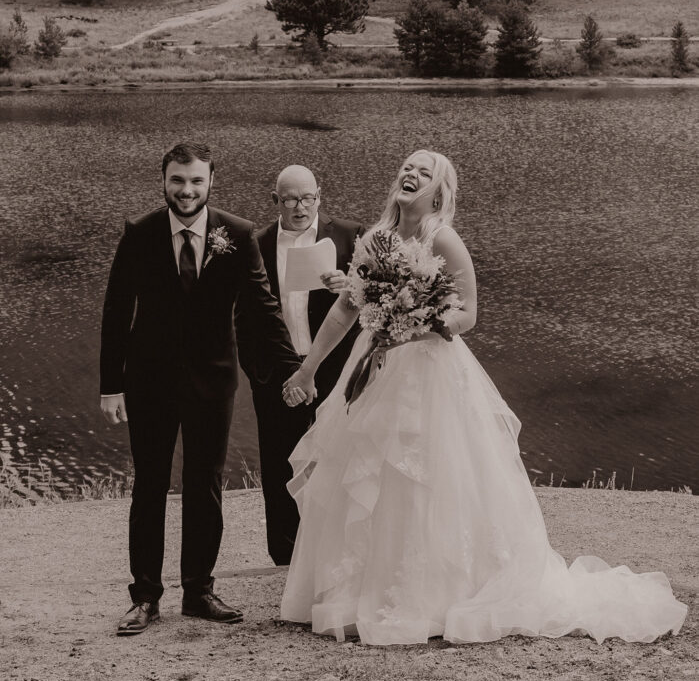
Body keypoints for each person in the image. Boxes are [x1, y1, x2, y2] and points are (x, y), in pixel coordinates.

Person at [279, 150, 688, 645]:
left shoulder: (442, 238)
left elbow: (467, 313)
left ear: (439, 191)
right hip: (376, 367)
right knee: (370, 474)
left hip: (427, 372)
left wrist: (415, 325)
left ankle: (431, 596)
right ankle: (367, 589)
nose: (411, 175)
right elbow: (345, 310)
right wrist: (308, 367)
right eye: (408, 168)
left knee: (426, 478)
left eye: (424, 173)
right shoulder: (376, 239)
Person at [100, 142, 300, 637]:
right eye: (177, 181)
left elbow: (263, 307)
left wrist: (297, 369)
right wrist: (111, 386)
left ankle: (198, 591)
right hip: (148, 381)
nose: (186, 191)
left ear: (212, 181)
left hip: (212, 380)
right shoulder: (140, 234)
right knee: (149, 485)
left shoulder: (237, 233)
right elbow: (115, 312)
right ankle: (145, 596)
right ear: (163, 180)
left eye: (196, 181)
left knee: (205, 484)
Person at [236, 165, 363, 565]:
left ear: (319, 196)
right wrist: (261, 377)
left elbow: (374, 306)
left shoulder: (350, 236)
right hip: (277, 372)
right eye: (290, 199)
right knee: (279, 467)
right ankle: (286, 560)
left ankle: (338, 555)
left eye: (308, 198)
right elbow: (245, 320)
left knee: (340, 461)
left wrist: (351, 287)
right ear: (275, 201)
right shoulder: (255, 244)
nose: (300, 207)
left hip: (336, 371)